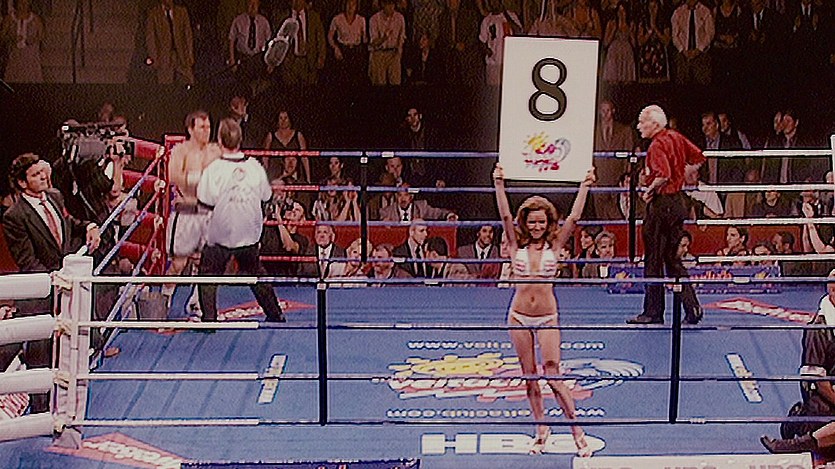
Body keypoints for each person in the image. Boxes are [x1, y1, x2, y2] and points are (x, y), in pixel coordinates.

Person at [493, 162, 595, 456]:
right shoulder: (515, 245)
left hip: (548, 317)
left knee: (553, 374)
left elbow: (574, 218)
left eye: (541, 222)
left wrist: (585, 185)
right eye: (532, 222)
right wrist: (499, 184)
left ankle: (577, 432)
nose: (536, 227)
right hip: (518, 317)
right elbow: (504, 215)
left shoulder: (556, 244)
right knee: (529, 376)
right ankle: (540, 429)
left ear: (548, 222)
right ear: (525, 223)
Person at [3, 153, 101, 412]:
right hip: (42, 292)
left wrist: (89, 226)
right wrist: (55, 281)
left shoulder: (55, 196)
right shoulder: (15, 216)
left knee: (83, 339)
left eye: (42, 171)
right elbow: (27, 261)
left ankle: (70, 402)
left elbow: (68, 225)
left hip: (66, 285)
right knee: (39, 354)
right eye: (35, 175)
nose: (43, 177)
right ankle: (40, 412)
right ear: (22, 183)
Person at [196, 118, 286, 327]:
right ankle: (275, 314)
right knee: (255, 270)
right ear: (240, 140)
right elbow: (266, 196)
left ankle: (209, 320)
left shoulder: (214, 169)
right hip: (248, 235)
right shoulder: (254, 166)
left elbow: (204, 202)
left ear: (220, 140)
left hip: (223, 234)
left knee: (208, 272)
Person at [627, 105, 704, 325]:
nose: (639, 126)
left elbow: (663, 174)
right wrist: (683, 176)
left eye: (642, 122)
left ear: (654, 124)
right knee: (672, 258)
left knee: (654, 259)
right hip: (678, 201)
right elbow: (698, 157)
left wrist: (649, 190)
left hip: (663, 204)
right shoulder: (675, 137)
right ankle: (692, 307)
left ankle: (653, 312)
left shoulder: (657, 144)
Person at [761, 269, 835, 453]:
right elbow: (817, 382)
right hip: (824, 396)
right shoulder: (819, 328)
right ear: (831, 290)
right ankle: (799, 425)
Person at [163, 111, 222, 319]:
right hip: (186, 213)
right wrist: (196, 179)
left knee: (205, 263)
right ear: (191, 129)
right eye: (202, 127)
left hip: (208, 213)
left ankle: (197, 302)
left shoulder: (215, 151)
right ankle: (164, 300)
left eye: (208, 127)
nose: (207, 131)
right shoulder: (181, 151)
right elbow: (172, 175)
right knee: (178, 263)